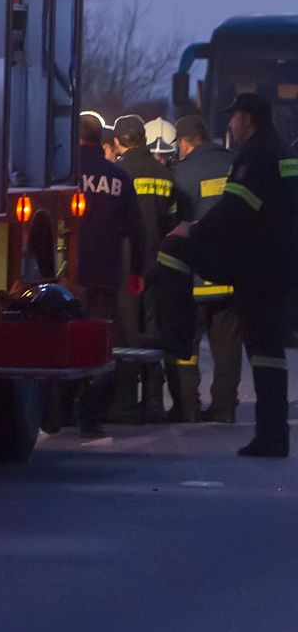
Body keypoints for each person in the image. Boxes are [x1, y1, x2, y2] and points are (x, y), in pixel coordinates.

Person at [158, 93, 298, 457]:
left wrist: (192, 229)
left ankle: (175, 334)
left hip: (255, 264)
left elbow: (234, 210)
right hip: (278, 265)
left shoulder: (256, 154)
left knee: (172, 248)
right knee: (266, 351)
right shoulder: (282, 151)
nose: (231, 125)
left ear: (247, 118)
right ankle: (272, 434)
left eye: (233, 117)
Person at [75, 112, 146, 438]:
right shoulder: (118, 177)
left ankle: (60, 411)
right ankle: (90, 418)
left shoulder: (63, 173)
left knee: (64, 340)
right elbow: (137, 230)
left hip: (67, 276)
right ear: (100, 139)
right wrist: (136, 272)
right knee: (97, 346)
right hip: (104, 274)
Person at [172, 113, 238, 422]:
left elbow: (175, 223)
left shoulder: (181, 171)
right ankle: (225, 409)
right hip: (231, 273)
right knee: (228, 346)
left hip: (194, 276)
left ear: (184, 144)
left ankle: (188, 408)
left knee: (188, 344)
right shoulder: (236, 164)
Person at [113, 114, 180, 422]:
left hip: (127, 265)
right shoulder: (164, 174)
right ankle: (154, 402)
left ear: (118, 142)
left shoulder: (119, 173)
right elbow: (173, 222)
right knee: (153, 331)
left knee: (126, 333)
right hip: (158, 262)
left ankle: (125, 402)